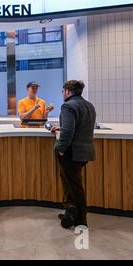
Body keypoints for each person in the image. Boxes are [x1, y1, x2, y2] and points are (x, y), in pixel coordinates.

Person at [51, 80, 96, 228]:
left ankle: (82, 219)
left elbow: (68, 132)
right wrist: (62, 128)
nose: (63, 94)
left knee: (75, 186)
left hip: (71, 152)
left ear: (68, 92)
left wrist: (62, 148)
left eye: (63, 91)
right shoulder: (89, 105)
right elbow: (79, 127)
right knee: (71, 182)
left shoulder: (68, 106)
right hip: (85, 151)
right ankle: (70, 213)